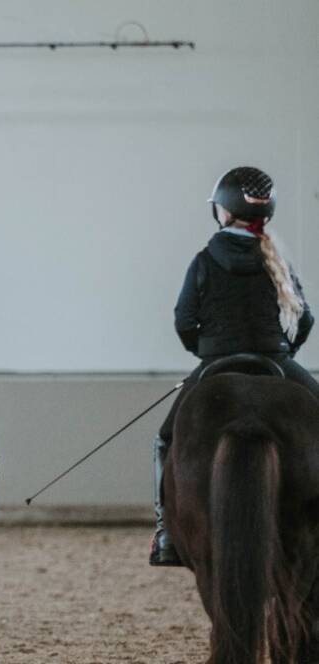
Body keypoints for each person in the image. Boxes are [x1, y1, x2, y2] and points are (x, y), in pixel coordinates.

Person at [150, 166, 318, 566]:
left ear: (223, 212)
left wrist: (204, 353)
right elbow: (306, 318)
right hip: (276, 360)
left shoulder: (205, 260)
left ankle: (165, 532)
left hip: (217, 362)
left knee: (164, 439)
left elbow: (183, 319)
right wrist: (284, 351)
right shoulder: (275, 258)